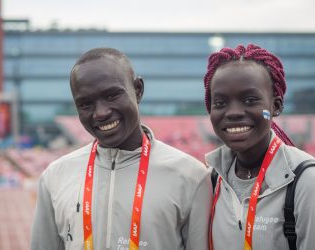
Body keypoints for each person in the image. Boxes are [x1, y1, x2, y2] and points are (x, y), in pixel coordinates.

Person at [31, 48, 212, 250]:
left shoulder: (191, 176)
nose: (100, 113)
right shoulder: (55, 176)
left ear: (138, 90)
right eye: (85, 104)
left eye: (111, 96)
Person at [204, 44, 315, 250]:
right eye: (220, 103)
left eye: (250, 100)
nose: (234, 112)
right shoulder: (210, 180)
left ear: (276, 106)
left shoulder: (305, 181)